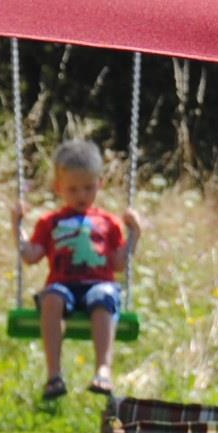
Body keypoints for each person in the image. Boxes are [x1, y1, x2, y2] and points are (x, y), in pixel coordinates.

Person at [22, 138, 131, 401]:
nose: (81, 195)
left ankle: (103, 370)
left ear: (99, 184)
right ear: (58, 187)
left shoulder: (109, 222)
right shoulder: (50, 222)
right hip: (63, 286)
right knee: (51, 298)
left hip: (99, 284)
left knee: (103, 296)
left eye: (88, 188)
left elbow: (118, 263)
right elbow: (31, 256)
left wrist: (135, 234)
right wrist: (17, 226)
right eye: (72, 189)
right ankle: (54, 376)